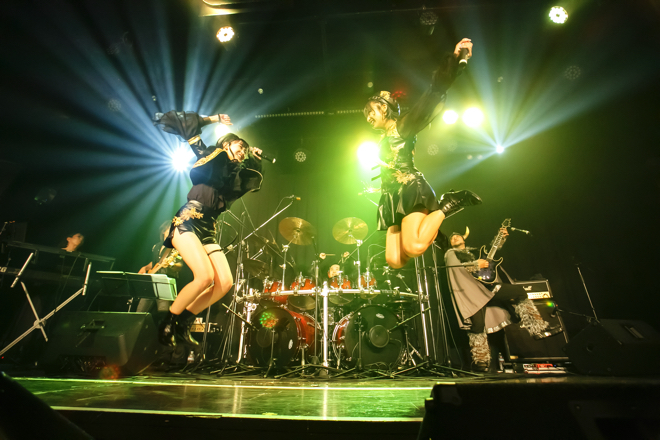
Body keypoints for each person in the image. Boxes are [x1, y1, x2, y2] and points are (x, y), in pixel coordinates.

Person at [364, 38, 482, 269]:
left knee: (415, 246)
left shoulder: (403, 126)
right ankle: (434, 220)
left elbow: (433, 93)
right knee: (394, 260)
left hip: (410, 188)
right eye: (365, 114)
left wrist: (455, 59)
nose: (368, 117)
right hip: (391, 196)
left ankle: (448, 203)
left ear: (384, 108)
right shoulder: (382, 137)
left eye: (371, 111)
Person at [153, 110, 263, 348]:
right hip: (189, 219)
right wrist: (214, 119)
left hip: (208, 228)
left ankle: (183, 323)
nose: (243, 151)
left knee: (225, 283)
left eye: (245, 149)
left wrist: (254, 158)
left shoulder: (232, 175)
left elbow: (252, 181)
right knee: (204, 277)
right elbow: (190, 129)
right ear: (227, 144)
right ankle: (167, 322)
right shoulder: (211, 154)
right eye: (240, 146)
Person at [443, 227, 562, 371]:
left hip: (488, 289)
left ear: (464, 238)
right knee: (477, 326)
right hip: (472, 294)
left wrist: (501, 237)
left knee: (519, 292)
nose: (455, 238)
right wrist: (475, 265)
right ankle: (481, 360)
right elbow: (455, 267)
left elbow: (491, 252)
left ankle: (537, 328)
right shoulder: (450, 253)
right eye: (452, 238)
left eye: (457, 236)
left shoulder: (475, 251)